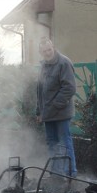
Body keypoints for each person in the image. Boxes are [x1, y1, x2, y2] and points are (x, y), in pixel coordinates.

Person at [35, 38, 77, 177]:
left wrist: (55, 105)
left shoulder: (64, 63)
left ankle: (70, 173)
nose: (47, 53)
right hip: (48, 113)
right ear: (40, 52)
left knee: (64, 142)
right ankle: (56, 173)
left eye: (49, 49)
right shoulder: (44, 66)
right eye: (44, 51)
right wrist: (39, 111)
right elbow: (40, 90)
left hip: (61, 112)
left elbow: (69, 88)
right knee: (51, 143)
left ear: (53, 47)